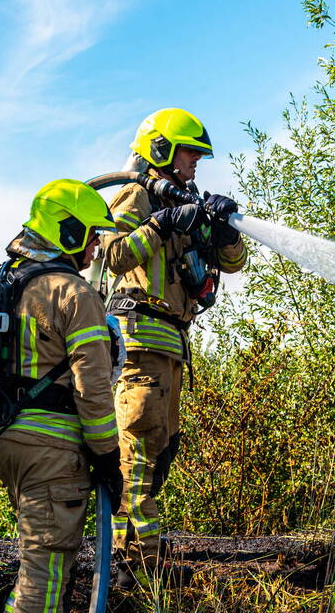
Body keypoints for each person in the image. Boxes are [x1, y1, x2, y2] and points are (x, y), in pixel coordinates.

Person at [101, 108, 247, 587]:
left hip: (172, 345)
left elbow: (233, 265)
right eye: (189, 152)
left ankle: (140, 553)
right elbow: (113, 253)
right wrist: (162, 225)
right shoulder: (136, 195)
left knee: (161, 453)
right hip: (141, 339)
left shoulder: (189, 203)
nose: (196, 162)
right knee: (139, 451)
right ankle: (135, 564)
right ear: (162, 149)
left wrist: (225, 230)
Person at [0, 179, 124, 613]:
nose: (94, 249)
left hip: (8, 443)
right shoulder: (73, 292)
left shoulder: (11, 284)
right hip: (52, 454)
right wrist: (108, 458)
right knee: (47, 578)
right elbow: (93, 388)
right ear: (67, 232)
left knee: (35, 563)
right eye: (89, 236)